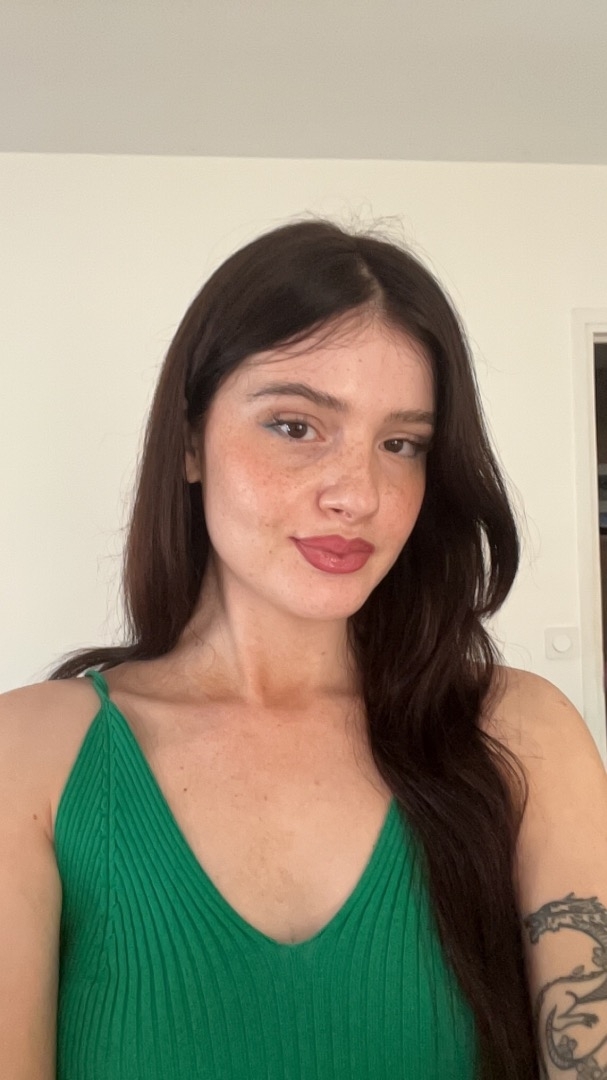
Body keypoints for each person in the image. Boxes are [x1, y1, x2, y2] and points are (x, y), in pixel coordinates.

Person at [1, 217, 606, 1080]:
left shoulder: (521, 734)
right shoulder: (28, 754)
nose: (358, 494)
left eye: (401, 444)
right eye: (295, 426)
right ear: (189, 441)